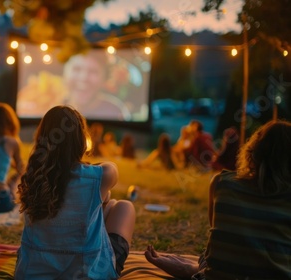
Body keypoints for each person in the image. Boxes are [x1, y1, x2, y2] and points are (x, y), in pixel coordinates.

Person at [145, 120, 291, 279]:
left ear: (253, 149)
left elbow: (218, 242)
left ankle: (193, 269)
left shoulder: (222, 183)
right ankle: (194, 269)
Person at [15, 106, 136, 279]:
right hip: (87, 274)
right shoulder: (100, 176)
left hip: (33, 273)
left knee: (106, 204)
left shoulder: (33, 176)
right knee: (124, 207)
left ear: (40, 138)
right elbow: (110, 168)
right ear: (81, 140)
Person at [63, 53, 131, 121]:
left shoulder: (116, 111)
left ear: (104, 78)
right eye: (77, 69)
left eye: (93, 71)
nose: (83, 78)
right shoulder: (55, 104)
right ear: (65, 73)